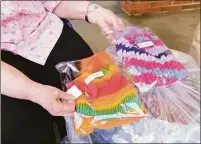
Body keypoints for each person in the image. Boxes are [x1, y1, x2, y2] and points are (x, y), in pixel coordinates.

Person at [1, 1, 124, 144]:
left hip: (47, 33)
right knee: (21, 133)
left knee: (104, 109)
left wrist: (92, 11)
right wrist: (32, 91)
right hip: (5, 68)